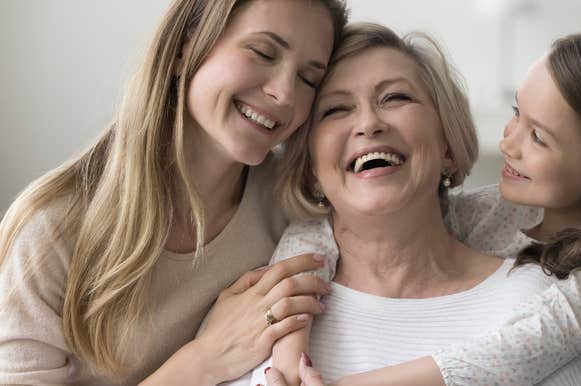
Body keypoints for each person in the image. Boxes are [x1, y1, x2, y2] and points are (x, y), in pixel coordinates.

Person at [254, 24, 581, 386]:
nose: (507, 143)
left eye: (538, 137)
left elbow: (489, 364)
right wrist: (289, 342)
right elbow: (317, 230)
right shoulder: (489, 214)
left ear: (448, 144)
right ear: (310, 168)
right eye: (516, 114)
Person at [0, 1, 349, 385]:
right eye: (263, 52)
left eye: (309, 79)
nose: (285, 93)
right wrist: (204, 360)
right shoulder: (51, 229)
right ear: (186, 46)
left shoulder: (297, 209)